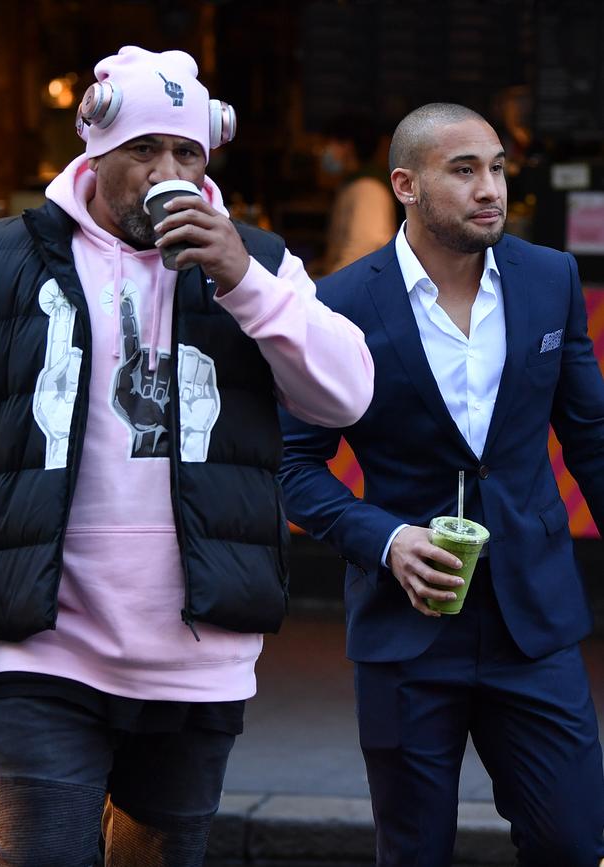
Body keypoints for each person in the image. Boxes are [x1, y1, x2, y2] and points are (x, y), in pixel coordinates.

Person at [0, 46, 374, 867]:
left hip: (200, 651)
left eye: (186, 152)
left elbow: (347, 395)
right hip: (45, 637)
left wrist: (241, 277)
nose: (165, 170)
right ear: (95, 153)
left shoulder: (259, 264)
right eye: (143, 149)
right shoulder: (1, 264)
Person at [278, 102, 604, 867]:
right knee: (415, 850)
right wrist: (386, 539)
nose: (489, 187)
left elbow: (589, 435)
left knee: (573, 837)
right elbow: (293, 465)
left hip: (535, 618)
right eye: (464, 170)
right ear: (407, 184)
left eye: (496, 167)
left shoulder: (550, 279)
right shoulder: (340, 305)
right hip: (406, 625)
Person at [319, 111, 397, 275]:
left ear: (347, 146)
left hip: (353, 292)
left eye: (328, 143)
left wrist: (328, 288)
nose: (323, 151)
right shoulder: (352, 184)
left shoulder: (368, 188)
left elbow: (364, 247)